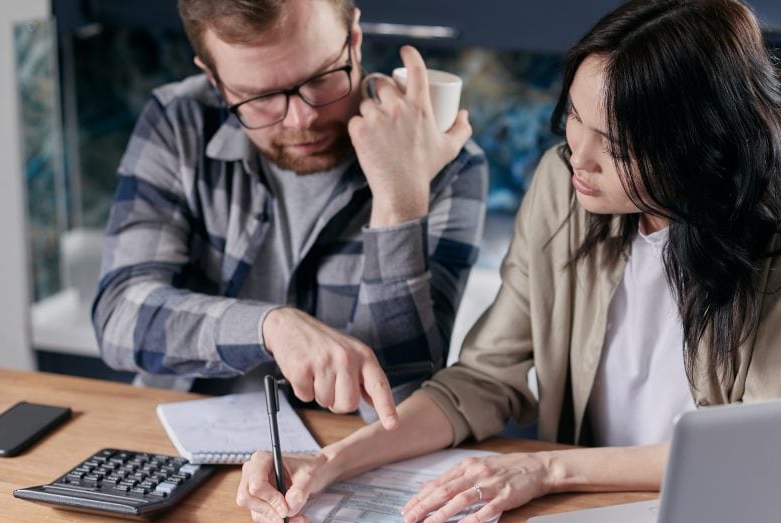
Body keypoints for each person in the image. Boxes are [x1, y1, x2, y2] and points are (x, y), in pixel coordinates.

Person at [236, 0, 781, 523]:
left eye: (615, 144)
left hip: (719, 518)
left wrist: (547, 467)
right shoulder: (564, 186)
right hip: (584, 515)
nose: (577, 155)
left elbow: (761, 451)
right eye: (576, 117)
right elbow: (482, 380)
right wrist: (332, 461)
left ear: (697, 145)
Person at [92, 0, 488, 427]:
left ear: (354, 40)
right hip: (178, 437)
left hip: (346, 456)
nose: (302, 119)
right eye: (259, 97)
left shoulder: (446, 162)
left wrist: (399, 203)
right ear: (215, 80)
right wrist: (270, 328)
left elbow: (401, 402)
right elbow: (119, 317)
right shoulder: (179, 121)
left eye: (320, 79)